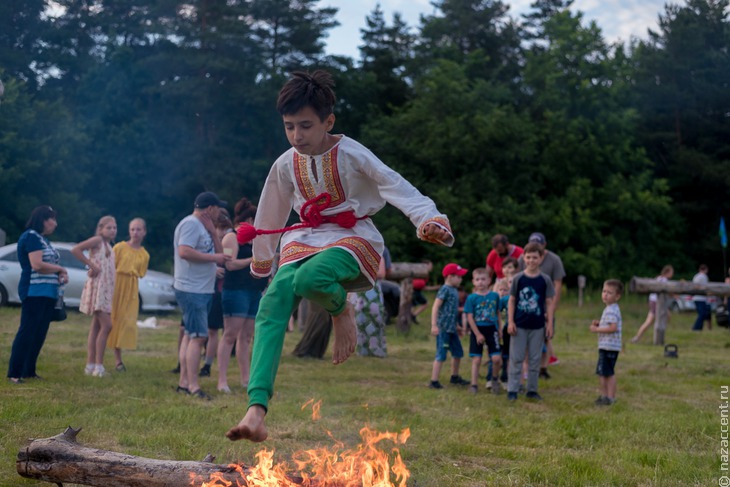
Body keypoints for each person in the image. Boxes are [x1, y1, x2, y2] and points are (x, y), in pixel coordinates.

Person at [226, 70, 453, 443]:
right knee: (273, 302)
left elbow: (393, 183)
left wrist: (428, 219)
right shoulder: (285, 163)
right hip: (304, 237)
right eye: (288, 127)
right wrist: (263, 260)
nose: (297, 136)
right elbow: (271, 208)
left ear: (328, 121)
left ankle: (341, 310)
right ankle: (256, 409)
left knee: (308, 280)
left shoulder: (352, 153)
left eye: (305, 126)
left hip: (352, 238)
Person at [174, 191, 230, 400]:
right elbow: (184, 252)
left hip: (202, 289)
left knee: (191, 335)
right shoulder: (190, 224)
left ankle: (183, 383)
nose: (219, 211)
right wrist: (214, 257)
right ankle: (193, 387)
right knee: (199, 337)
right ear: (210, 208)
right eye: (217, 208)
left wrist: (214, 234)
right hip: (192, 289)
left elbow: (220, 257)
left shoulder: (204, 227)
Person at [7, 206, 68, 384]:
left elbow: (48, 265)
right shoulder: (31, 237)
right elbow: (37, 265)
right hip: (34, 291)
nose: (55, 224)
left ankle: (28, 371)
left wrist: (60, 275)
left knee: (39, 333)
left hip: (48, 293)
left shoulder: (44, 240)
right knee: (27, 331)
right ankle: (14, 373)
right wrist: (60, 269)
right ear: (42, 219)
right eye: (53, 219)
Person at [217, 199, 267, 393]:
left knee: (246, 337)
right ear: (250, 219)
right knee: (230, 335)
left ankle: (245, 378)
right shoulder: (231, 238)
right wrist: (252, 260)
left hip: (254, 291)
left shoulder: (253, 239)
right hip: (236, 291)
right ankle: (222, 380)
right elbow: (230, 264)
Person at [507, 242, 555, 402]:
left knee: (535, 359)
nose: (531, 260)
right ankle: (512, 390)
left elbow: (549, 302)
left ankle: (532, 390)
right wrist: (510, 321)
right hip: (519, 325)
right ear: (523, 258)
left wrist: (549, 325)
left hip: (538, 326)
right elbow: (512, 300)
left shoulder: (545, 280)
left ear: (541, 258)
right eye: (528, 257)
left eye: (535, 257)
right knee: (517, 358)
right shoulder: (518, 278)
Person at [73, 215, 117, 378]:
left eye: (115, 227)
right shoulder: (97, 240)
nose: (112, 230)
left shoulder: (107, 245)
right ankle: (99, 366)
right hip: (98, 289)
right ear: (100, 229)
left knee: (96, 327)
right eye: (109, 227)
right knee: (107, 326)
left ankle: (90, 365)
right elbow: (76, 249)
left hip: (105, 290)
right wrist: (91, 265)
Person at [519, 232, 565, 377]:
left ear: (544, 245)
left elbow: (558, 283)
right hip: (528, 302)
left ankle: (543, 368)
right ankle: (527, 368)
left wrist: (554, 305)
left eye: (539, 244)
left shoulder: (554, 260)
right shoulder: (523, 259)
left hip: (546, 301)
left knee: (546, 336)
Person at [108, 218, 150, 372]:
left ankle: (119, 353)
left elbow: (142, 273)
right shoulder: (119, 248)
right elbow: (110, 267)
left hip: (131, 289)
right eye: (132, 229)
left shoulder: (144, 254)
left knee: (127, 322)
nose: (135, 233)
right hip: (117, 285)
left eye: (139, 229)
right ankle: (117, 360)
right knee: (114, 319)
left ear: (144, 232)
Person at [200, 209, 234, 378]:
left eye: (223, 228)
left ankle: (207, 364)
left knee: (213, 330)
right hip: (206, 288)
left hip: (219, 290)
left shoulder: (226, 243)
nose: (221, 232)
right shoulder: (208, 242)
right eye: (219, 228)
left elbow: (227, 264)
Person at [429, 263, 469, 389]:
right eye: (459, 276)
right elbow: (436, 307)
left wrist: (457, 325)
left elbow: (452, 310)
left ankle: (455, 377)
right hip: (443, 329)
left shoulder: (455, 291)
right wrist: (434, 325)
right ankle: (434, 381)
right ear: (450, 276)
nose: (460, 279)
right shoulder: (445, 289)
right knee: (441, 354)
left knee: (458, 353)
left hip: (452, 329)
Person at [464, 268, 502, 394]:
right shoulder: (471, 298)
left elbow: (498, 313)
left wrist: (500, 329)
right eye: (477, 279)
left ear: (489, 281)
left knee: (496, 358)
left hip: (492, 329)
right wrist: (477, 334)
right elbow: (469, 317)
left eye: (483, 279)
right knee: (477, 359)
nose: (480, 282)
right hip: (477, 329)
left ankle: (494, 380)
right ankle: (474, 384)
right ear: (473, 282)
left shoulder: (495, 296)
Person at [589, 279, 623, 406]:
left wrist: (596, 329)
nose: (605, 294)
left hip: (609, 347)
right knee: (604, 372)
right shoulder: (610, 308)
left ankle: (608, 397)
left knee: (606, 373)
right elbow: (609, 324)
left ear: (617, 296)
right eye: (604, 291)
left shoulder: (612, 310)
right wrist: (600, 323)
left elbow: (613, 328)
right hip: (608, 346)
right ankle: (606, 396)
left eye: (609, 292)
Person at [354, 255, 388, 358]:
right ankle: (362, 350)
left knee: (376, 317)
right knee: (360, 319)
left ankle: (377, 349)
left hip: (373, 291)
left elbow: (382, 273)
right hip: (360, 290)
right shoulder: (357, 256)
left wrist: (366, 272)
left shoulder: (379, 257)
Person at [631, 265, 673, 343]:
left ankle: (638, 337)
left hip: (653, 301)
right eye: (671, 272)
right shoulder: (664, 280)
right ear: (668, 272)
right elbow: (666, 291)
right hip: (657, 302)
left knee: (666, 316)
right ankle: (638, 338)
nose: (672, 274)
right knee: (650, 321)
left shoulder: (658, 278)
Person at [692, 264, 710, 331]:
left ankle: (699, 328)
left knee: (701, 314)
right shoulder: (704, 276)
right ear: (705, 270)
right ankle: (696, 327)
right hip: (701, 298)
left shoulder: (696, 276)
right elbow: (706, 287)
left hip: (695, 298)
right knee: (702, 314)